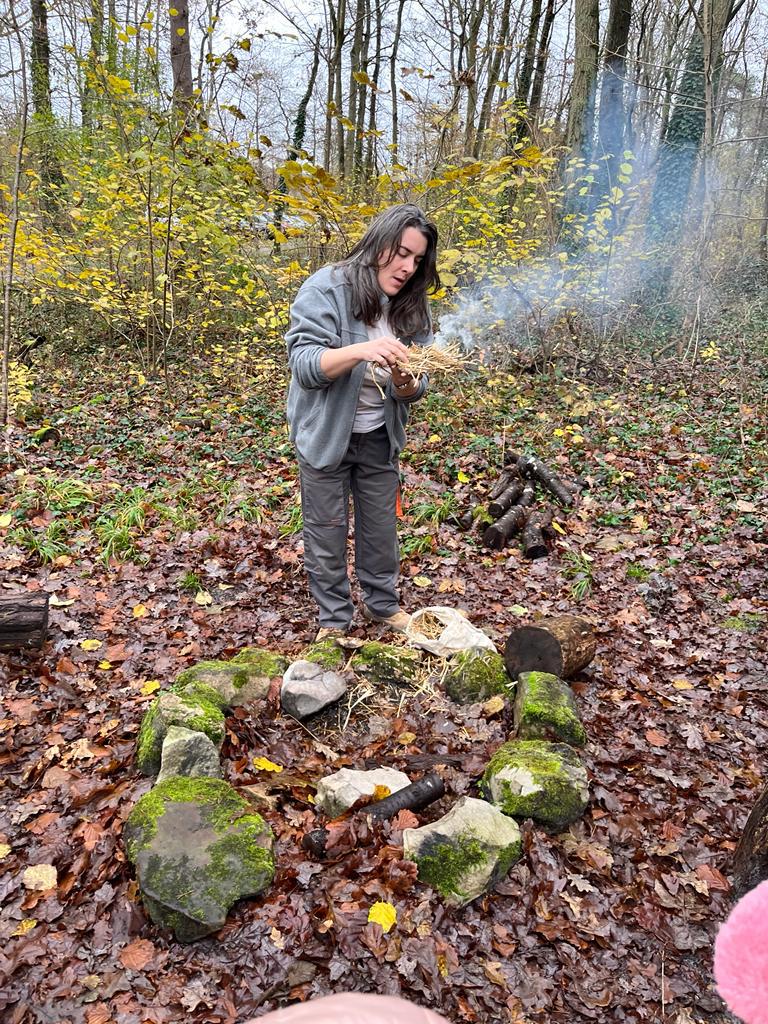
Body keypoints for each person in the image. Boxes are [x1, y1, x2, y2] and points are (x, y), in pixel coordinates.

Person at [285, 204, 439, 640]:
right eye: (402, 253)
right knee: (327, 532)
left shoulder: (412, 308)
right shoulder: (327, 288)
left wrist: (405, 380)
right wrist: (361, 351)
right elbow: (305, 365)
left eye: (417, 260)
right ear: (379, 242)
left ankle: (382, 606)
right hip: (325, 436)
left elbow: (417, 387)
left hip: (378, 437)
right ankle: (334, 621)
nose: (408, 267)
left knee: (380, 529)